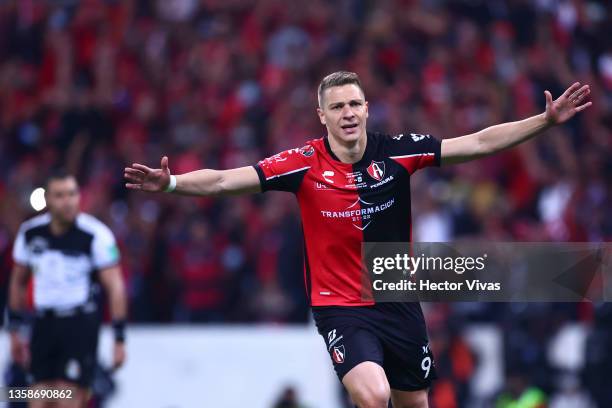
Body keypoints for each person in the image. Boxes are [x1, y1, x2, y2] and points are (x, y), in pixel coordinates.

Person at [124, 71, 591, 408]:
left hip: (396, 296)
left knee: (413, 402)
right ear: (322, 116)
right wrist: (171, 184)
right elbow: (226, 181)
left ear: (367, 108)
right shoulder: (302, 163)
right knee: (373, 395)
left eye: (354, 104)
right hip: (339, 305)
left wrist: (544, 122)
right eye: (337, 106)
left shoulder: (398, 152)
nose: (347, 113)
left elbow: (479, 143)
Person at [8, 170, 127, 408]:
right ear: (48, 200)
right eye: (60, 195)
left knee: (67, 398)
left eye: (72, 194)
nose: (68, 201)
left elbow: (115, 287)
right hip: (42, 324)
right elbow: (18, 282)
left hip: (78, 325)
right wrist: (15, 330)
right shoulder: (31, 234)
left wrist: (119, 338)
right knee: (39, 398)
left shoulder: (95, 235)